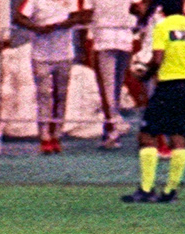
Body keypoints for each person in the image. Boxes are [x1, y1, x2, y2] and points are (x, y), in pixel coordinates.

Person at [126, 0, 185, 200]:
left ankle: (146, 189)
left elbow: (157, 58)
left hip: (168, 86)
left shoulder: (162, 26)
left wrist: (145, 75)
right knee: (179, 137)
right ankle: (170, 191)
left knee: (147, 135)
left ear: (162, 9)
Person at [18, 0, 88, 152]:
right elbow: (19, 18)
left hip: (65, 54)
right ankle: (44, 136)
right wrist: (37, 28)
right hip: (40, 55)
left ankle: (56, 134)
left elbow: (79, 17)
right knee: (43, 95)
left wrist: (61, 25)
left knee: (61, 95)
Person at [89, 0, 137, 145]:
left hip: (113, 39)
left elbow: (88, 13)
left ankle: (111, 128)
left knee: (110, 87)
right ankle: (111, 125)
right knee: (113, 87)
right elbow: (139, 8)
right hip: (117, 39)